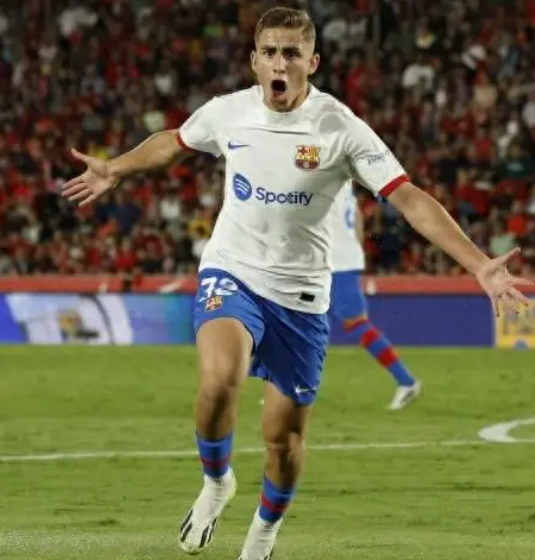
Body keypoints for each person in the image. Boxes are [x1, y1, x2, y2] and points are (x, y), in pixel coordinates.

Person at [61, 7, 532, 559]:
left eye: (291, 53)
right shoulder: (229, 112)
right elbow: (174, 140)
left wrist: (478, 263)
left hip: (302, 297)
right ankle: (216, 480)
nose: (279, 63)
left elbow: (407, 197)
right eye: (270, 52)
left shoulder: (340, 128)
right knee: (219, 379)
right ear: (254, 60)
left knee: (282, 441)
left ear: (313, 62)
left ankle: (263, 534)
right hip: (232, 270)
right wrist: (116, 167)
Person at [329, 183, 420, 410]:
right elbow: (358, 218)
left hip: (337, 263)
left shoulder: (319, 181)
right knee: (299, 321)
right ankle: (287, 387)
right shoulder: (341, 184)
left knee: (356, 325)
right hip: (335, 261)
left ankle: (406, 381)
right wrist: (354, 251)